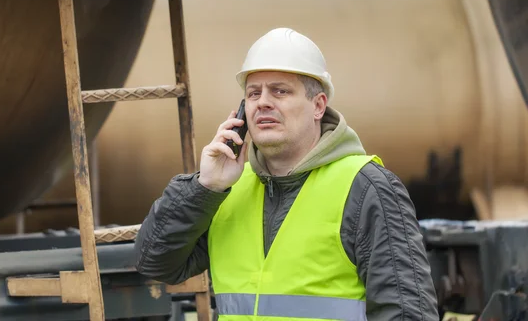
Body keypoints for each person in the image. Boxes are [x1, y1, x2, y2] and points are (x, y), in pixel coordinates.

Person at [135, 27, 440, 320]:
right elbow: (155, 263)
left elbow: (407, 312)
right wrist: (204, 188)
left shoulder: (365, 187)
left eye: (280, 91)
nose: (263, 102)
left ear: (318, 105)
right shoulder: (226, 189)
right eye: (253, 94)